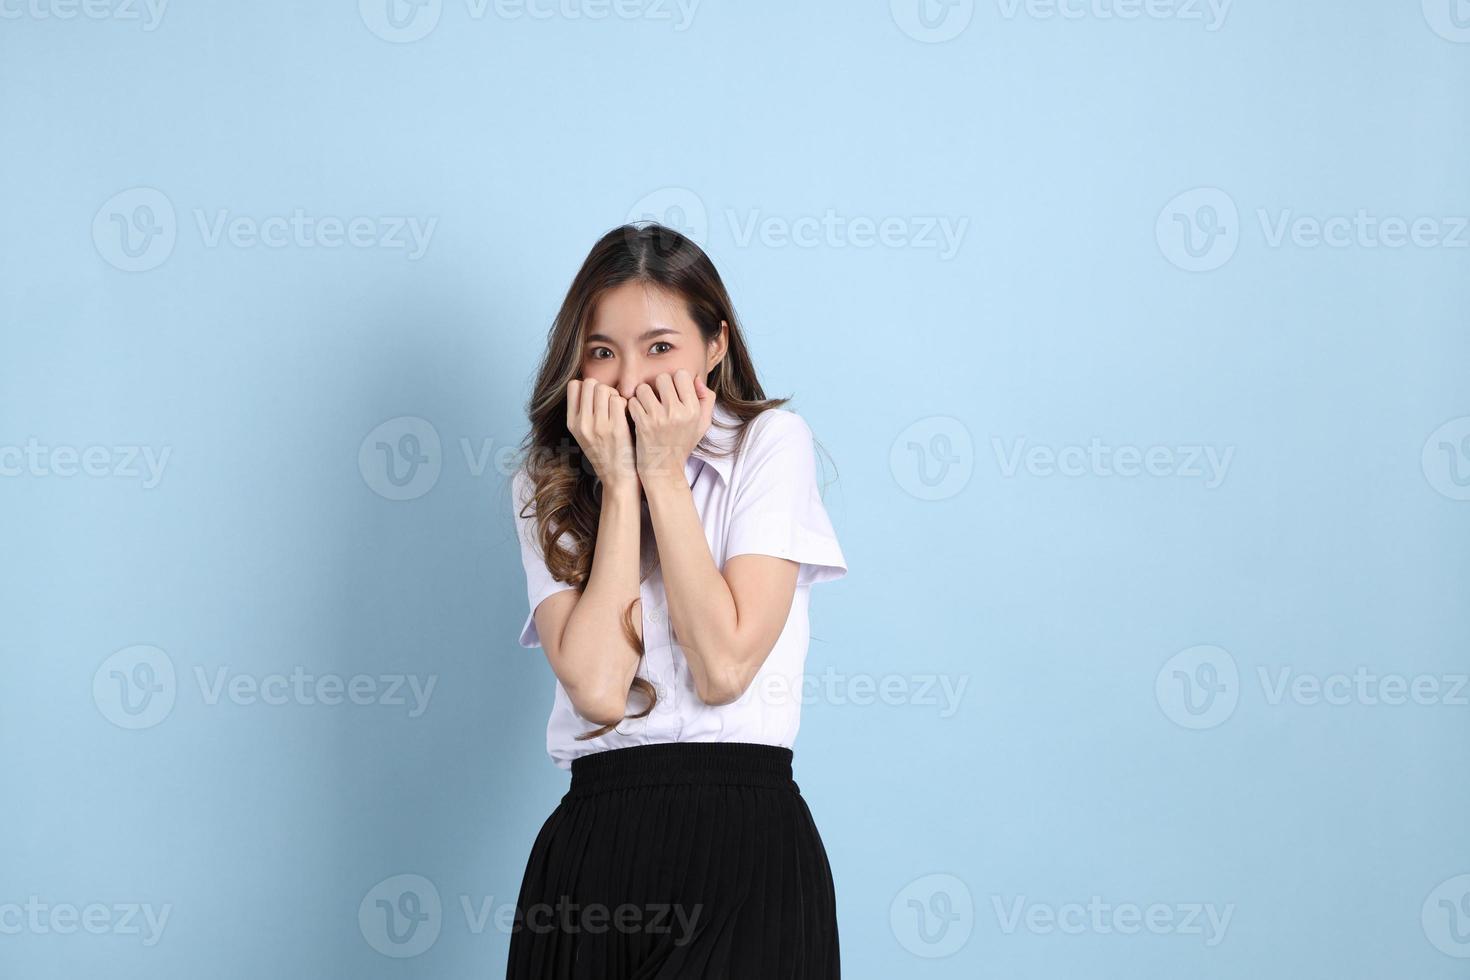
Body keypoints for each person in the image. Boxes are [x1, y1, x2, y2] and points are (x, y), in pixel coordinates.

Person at [505, 222, 848, 978]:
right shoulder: (547, 481)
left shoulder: (771, 446)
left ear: (715, 347)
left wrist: (664, 474)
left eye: (660, 347)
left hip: (744, 848)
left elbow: (724, 666)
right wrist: (621, 482)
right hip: (593, 854)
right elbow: (598, 690)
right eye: (603, 352)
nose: (629, 381)